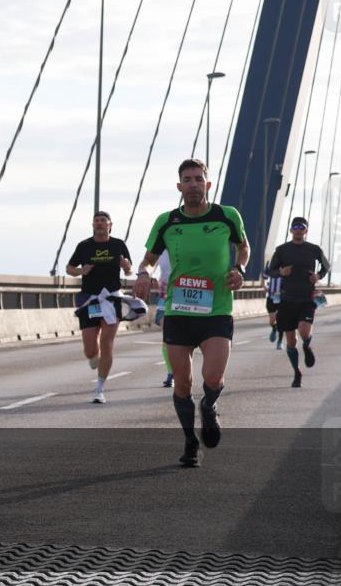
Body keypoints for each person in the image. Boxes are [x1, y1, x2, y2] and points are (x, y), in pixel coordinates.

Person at [133, 159, 249, 468]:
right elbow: (148, 259)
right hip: (180, 311)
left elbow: (244, 247)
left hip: (217, 310)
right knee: (182, 384)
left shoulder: (227, 216)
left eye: (199, 178)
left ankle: (209, 407)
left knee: (213, 377)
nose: (194, 183)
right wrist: (143, 274)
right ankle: (189, 442)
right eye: (188, 179)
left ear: (208, 184)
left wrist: (239, 268)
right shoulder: (167, 221)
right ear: (180, 187)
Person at [66, 211, 133, 404]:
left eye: (104, 221)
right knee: (90, 349)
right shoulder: (84, 246)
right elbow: (69, 268)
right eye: (97, 221)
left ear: (110, 225)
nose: (100, 224)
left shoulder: (118, 245)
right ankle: (93, 358)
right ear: (93, 225)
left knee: (107, 344)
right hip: (90, 299)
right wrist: (81, 270)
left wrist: (126, 266)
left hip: (111, 298)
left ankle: (100, 388)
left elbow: (129, 270)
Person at [266, 217, 330, 388]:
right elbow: (270, 271)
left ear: (306, 230)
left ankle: (307, 347)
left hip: (307, 298)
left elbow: (326, 266)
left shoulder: (314, 249)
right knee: (291, 341)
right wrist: (281, 271)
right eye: (295, 227)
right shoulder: (282, 250)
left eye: (302, 227)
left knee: (303, 332)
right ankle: (297, 372)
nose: (298, 230)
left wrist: (319, 276)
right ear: (291, 230)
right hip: (287, 299)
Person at [153, 249, 174, 387]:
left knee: (182, 340)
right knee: (168, 336)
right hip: (165, 296)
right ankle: (171, 373)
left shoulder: (190, 242)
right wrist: (149, 275)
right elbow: (150, 264)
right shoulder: (160, 247)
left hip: (185, 295)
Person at [264, 272, 283, 349]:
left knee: (281, 321)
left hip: (282, 298)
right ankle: (274, 329)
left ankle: (279, 342)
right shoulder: (270, 265)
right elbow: (264, 276)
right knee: (272, 321)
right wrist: (264, 285)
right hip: (271, 297)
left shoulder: (287, 264)